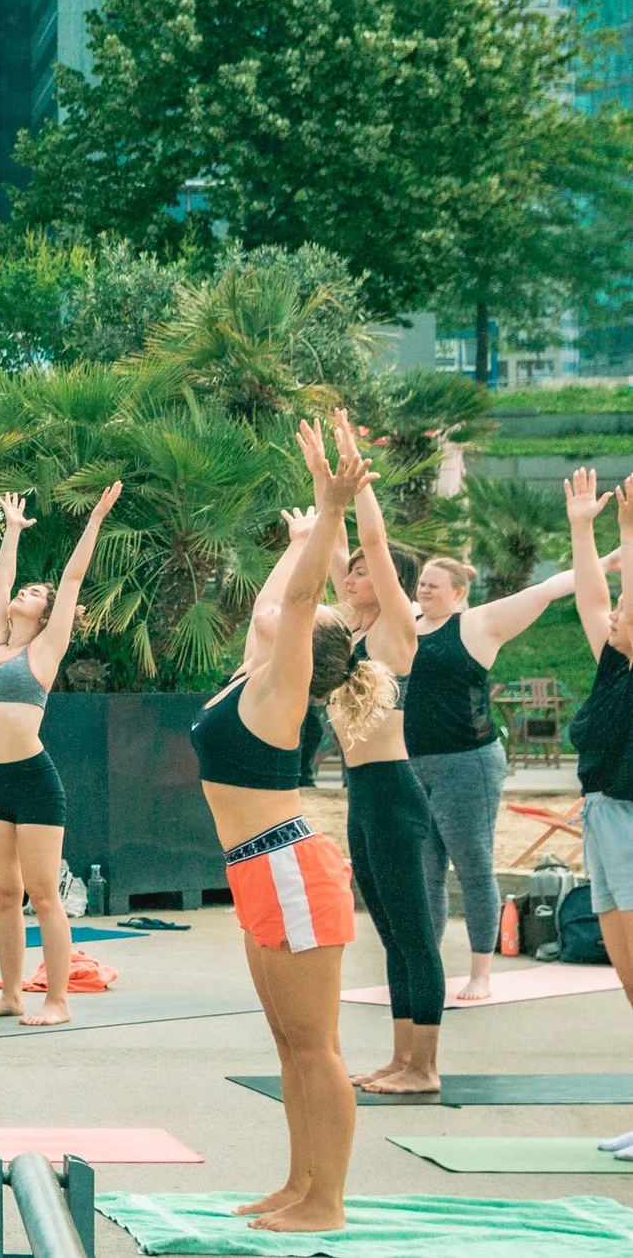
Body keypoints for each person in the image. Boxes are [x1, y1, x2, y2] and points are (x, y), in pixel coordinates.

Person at [196, 419, 383, 1234]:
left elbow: (301, 598)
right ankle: (299, 1182)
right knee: (287, 1045)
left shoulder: (283, 690)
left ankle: (329, 1202)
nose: (271, 609)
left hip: (291, 868)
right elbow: (283, 594)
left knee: (315, 1047)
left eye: (292, 613)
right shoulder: (254, 672)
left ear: (312, 642)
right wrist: (306, 530)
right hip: (258, 869)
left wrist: (331, 505)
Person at [0, 483, 120, 1027]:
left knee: (42, 896)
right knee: (2, 894)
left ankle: (57, 1000)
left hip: (33, 781)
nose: (23, 593)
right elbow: (0, 580)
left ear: (48, 612)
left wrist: (97, 517)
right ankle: (12, 993)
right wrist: (10, 531)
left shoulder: (44, 648)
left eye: (35, 592)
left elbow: (74, 577)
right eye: (26, 589)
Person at [405, 534, 580, 1000]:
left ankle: (481, 973)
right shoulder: (404, 623)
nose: (424, 591)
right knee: (425, 871)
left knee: (474, 868)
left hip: (468, 763)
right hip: (413, 763)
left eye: (435, 586)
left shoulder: (476, 624)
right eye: (421, 584)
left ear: (459, 592)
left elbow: (543, 591)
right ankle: (429, 968)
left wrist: (602, 560)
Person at [323, 450, 439, 1095]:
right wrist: (326, 493)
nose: (353, 575)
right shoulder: (349, 632)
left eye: (365, 572)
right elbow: (336, 553)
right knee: (390, 936)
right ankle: (401, 1058)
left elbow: (368, 540)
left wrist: (359, 486)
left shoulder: (395, 631)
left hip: (394, 791)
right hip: (362, 793)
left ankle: (425, 1066)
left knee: (415, 934)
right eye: (352, 572)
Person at [565, 471, 633, 1013]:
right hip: (602, 817)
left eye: (624, 611)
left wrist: (630, 536)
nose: (613, 615)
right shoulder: (615, 667)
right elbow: (593, 599)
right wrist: (582, 530)